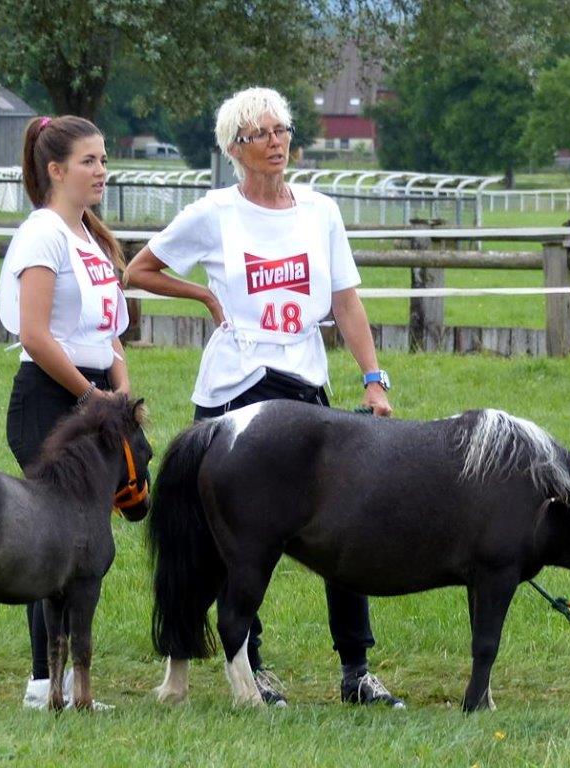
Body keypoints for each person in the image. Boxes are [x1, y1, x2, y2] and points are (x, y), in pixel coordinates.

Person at [123, 87, 402, 708]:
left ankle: (357, 669)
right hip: (237, 384)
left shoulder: (321, 212)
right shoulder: (214, 213)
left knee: (346, 524)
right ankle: (249, 666)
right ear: (234, 149)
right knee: (238, 540)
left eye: (282, 130)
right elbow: (137, 270)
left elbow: (345, 301)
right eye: (261, 135)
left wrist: (373, 378)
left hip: (305, 381)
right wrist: (204, 295)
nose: (276, 143)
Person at [0, 115, 130, 709]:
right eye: (88, 161)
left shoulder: (92, 238)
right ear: (55, 170)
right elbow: (34, 334)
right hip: (51, 399)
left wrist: (119, 391)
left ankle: (70, 682)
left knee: (84, 539)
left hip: (94, 399)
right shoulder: (42, 234)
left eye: (104, 160)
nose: (101, 171)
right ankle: (42, 682)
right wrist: (88, 395)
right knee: (52, 540)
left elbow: (109, 333)